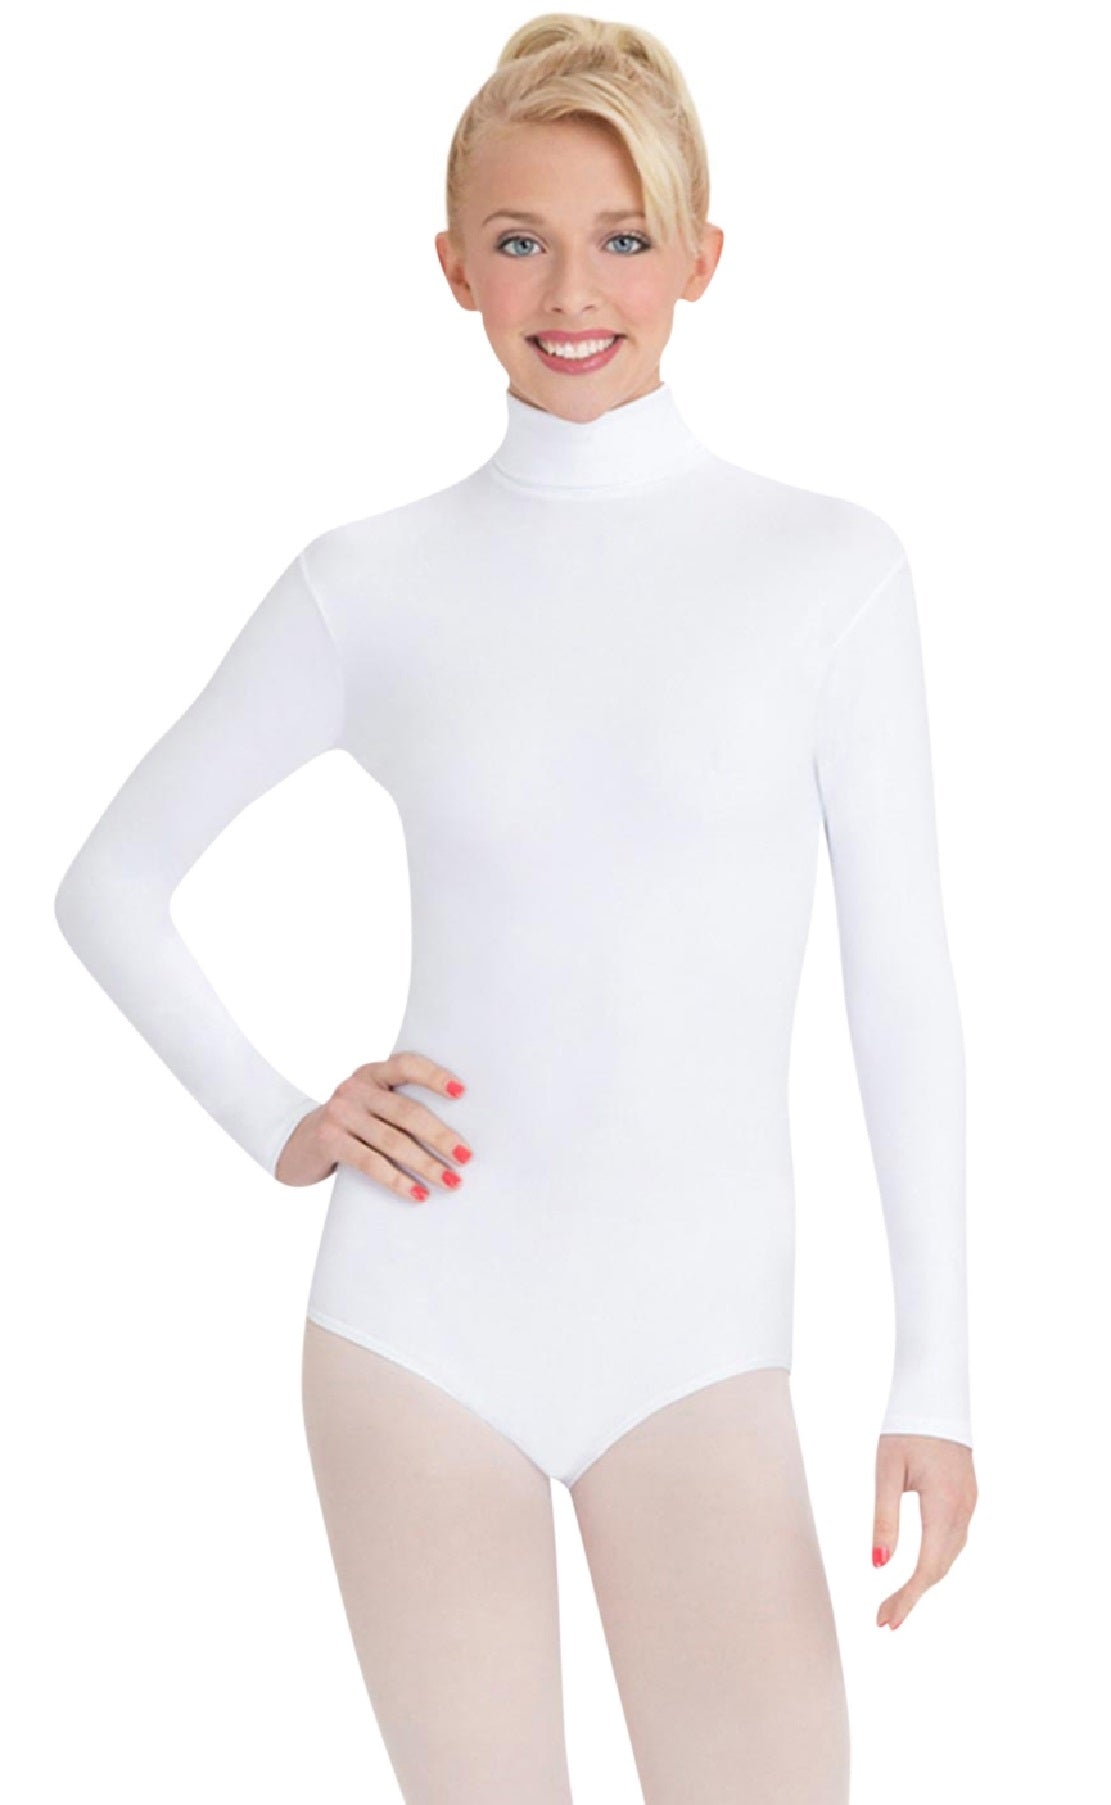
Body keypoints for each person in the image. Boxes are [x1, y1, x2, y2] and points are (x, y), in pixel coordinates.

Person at [53, 13, 979, 1802]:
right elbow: (111, 882)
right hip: (417, 1331)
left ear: (703, 257)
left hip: (700, 1343)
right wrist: (280, 1115)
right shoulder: (368, 583)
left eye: (624, 238)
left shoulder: (829, 571)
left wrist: (931, 1378)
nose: (573, 290)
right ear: (452, 265)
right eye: (520, 239)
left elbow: (903, 985)